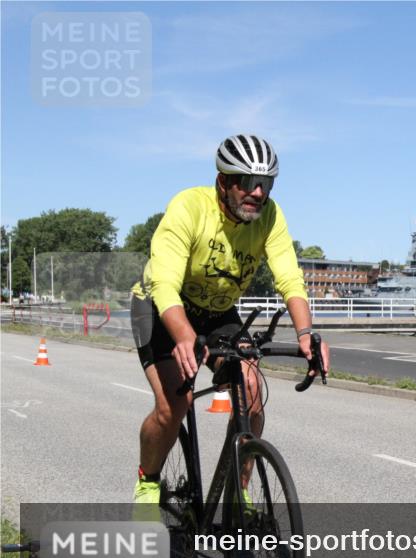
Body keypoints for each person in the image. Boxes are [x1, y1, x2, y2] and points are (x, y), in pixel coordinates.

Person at [130, 133, 329, 506]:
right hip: (161, 307)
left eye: (266, 183)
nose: (258, 192)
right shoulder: (189, 207)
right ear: (223, 181)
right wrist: (184, 335)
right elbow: (165, 284)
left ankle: (239, 493)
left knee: (251, 394)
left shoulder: (269, 215)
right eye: (247, 181)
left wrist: (306, 333)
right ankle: (148, 481)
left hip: (218, 312)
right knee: (174, 405)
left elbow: (290, 278)